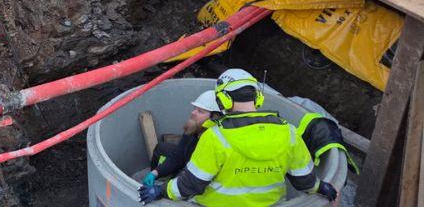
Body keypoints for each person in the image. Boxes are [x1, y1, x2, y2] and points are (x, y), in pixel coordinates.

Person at [138, 69, 338, 206]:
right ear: (258, 98)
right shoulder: (290, 133)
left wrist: (161, 191)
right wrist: (321, 186)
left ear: (223, 99)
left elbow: (190, 185)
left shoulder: (216, 138)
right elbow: (304, 180)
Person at [141, 90, 222, 188]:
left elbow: (196, 175)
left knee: (177, 184)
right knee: (161, 148)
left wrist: (165, 189)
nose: (193, 113)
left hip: (197, 174)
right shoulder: (194, 127)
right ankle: (160, 178)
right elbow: (178, 155)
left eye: (200, 111)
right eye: (195, 108)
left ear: (214, 118)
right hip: (187, 161)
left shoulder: (215, 141)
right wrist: (155, 172)